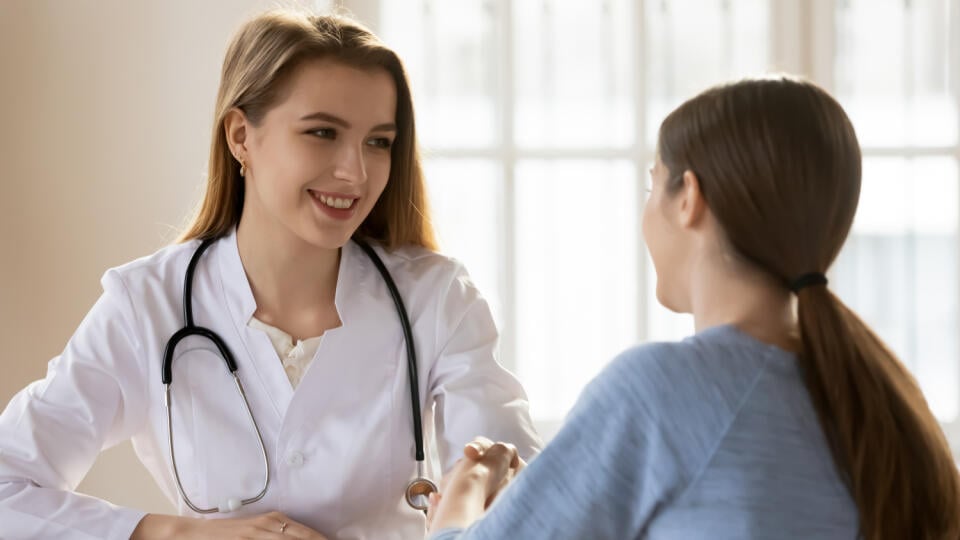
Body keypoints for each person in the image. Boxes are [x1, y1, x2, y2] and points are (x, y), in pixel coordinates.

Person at [0, 9, 541, 539]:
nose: (356, 172)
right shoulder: (147, 303)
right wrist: (183, 535)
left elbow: (518, 490)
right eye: (323, 132)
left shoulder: (437, 298)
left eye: (379, 141)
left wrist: (476, 490)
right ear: (240, 136)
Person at [426, 77, 960, 540]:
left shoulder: (660, 391)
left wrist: (464, 491)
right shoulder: (877, 406)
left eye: (652, 183)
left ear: (689, 199)